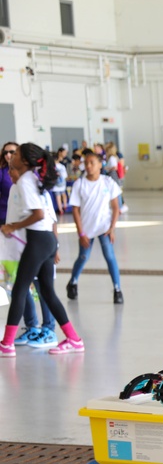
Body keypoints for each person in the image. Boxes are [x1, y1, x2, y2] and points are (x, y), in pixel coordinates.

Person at [1, 143, 85, 357]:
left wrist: (12, 227)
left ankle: (6, 344)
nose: (13, 156)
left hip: (39, 240)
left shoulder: (26, 180)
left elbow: (38, 214)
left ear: (26, 161)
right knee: (47, 291)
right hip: (47, 239)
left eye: (17, 154)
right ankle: (74, 339)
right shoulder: (32, 178)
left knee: (20, 288)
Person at [66, 149, 124, 304]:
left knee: (110, 256)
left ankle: (117, 289)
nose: (89, 166)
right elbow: (76, 210)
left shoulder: (107, 182)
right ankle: (73, 282)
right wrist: (81, 233)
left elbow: (116, 207)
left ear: (100, 165)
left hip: (104, 228)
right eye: (87, 163)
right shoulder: (80, 184)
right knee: (83, 257)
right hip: (87, 229)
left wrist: (112, 228)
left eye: (92, 163)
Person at [51, 147, 68, 214]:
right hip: (62, 184)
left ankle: (60, 209)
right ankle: (65, 206)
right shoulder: (62, 166)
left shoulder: (52, 167)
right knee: (64, 195)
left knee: (58, 197)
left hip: (55, 185)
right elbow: (65, 176)